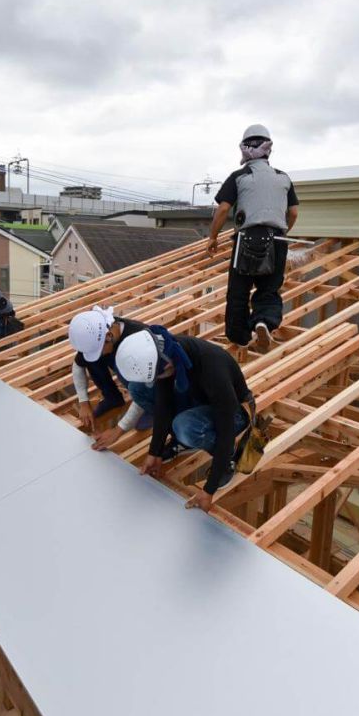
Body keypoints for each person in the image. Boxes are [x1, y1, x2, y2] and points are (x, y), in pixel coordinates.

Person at [115, 329, 253, 512]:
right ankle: (184, 441)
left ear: (166, 365)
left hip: (235, 413)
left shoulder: (213, 371)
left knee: (184, 426)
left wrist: (208, 490)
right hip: (200, 399)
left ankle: (228, 459)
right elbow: (163, 406)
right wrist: (154, 453)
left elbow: (226, 429)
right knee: (139, 389)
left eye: (159, 375)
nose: (160, 379)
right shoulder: (168, 354)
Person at [206, 123, 299, 351]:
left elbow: (223, 209)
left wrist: (213, 237)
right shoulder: (283, 178)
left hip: (246, 239)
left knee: (239, 290)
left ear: (244, 149)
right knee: (269, 290)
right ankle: (263, 321)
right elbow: (294, 212)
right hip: (277, 239)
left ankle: (240, 337)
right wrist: (283, 231)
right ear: (269, 150)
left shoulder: (239, 177)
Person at [67, 305, 153, 449]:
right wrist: (83, 402)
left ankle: (151, 408)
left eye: (98, 350)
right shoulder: (97, 335)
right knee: (91, 359)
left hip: (154, 384)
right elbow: (78, 365)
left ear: (108, 336)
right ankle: (112, 397)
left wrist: (118, 430)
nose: (99, 355)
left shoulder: (138, 342)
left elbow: (147, 387)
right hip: (127, 366)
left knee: (136, 385)